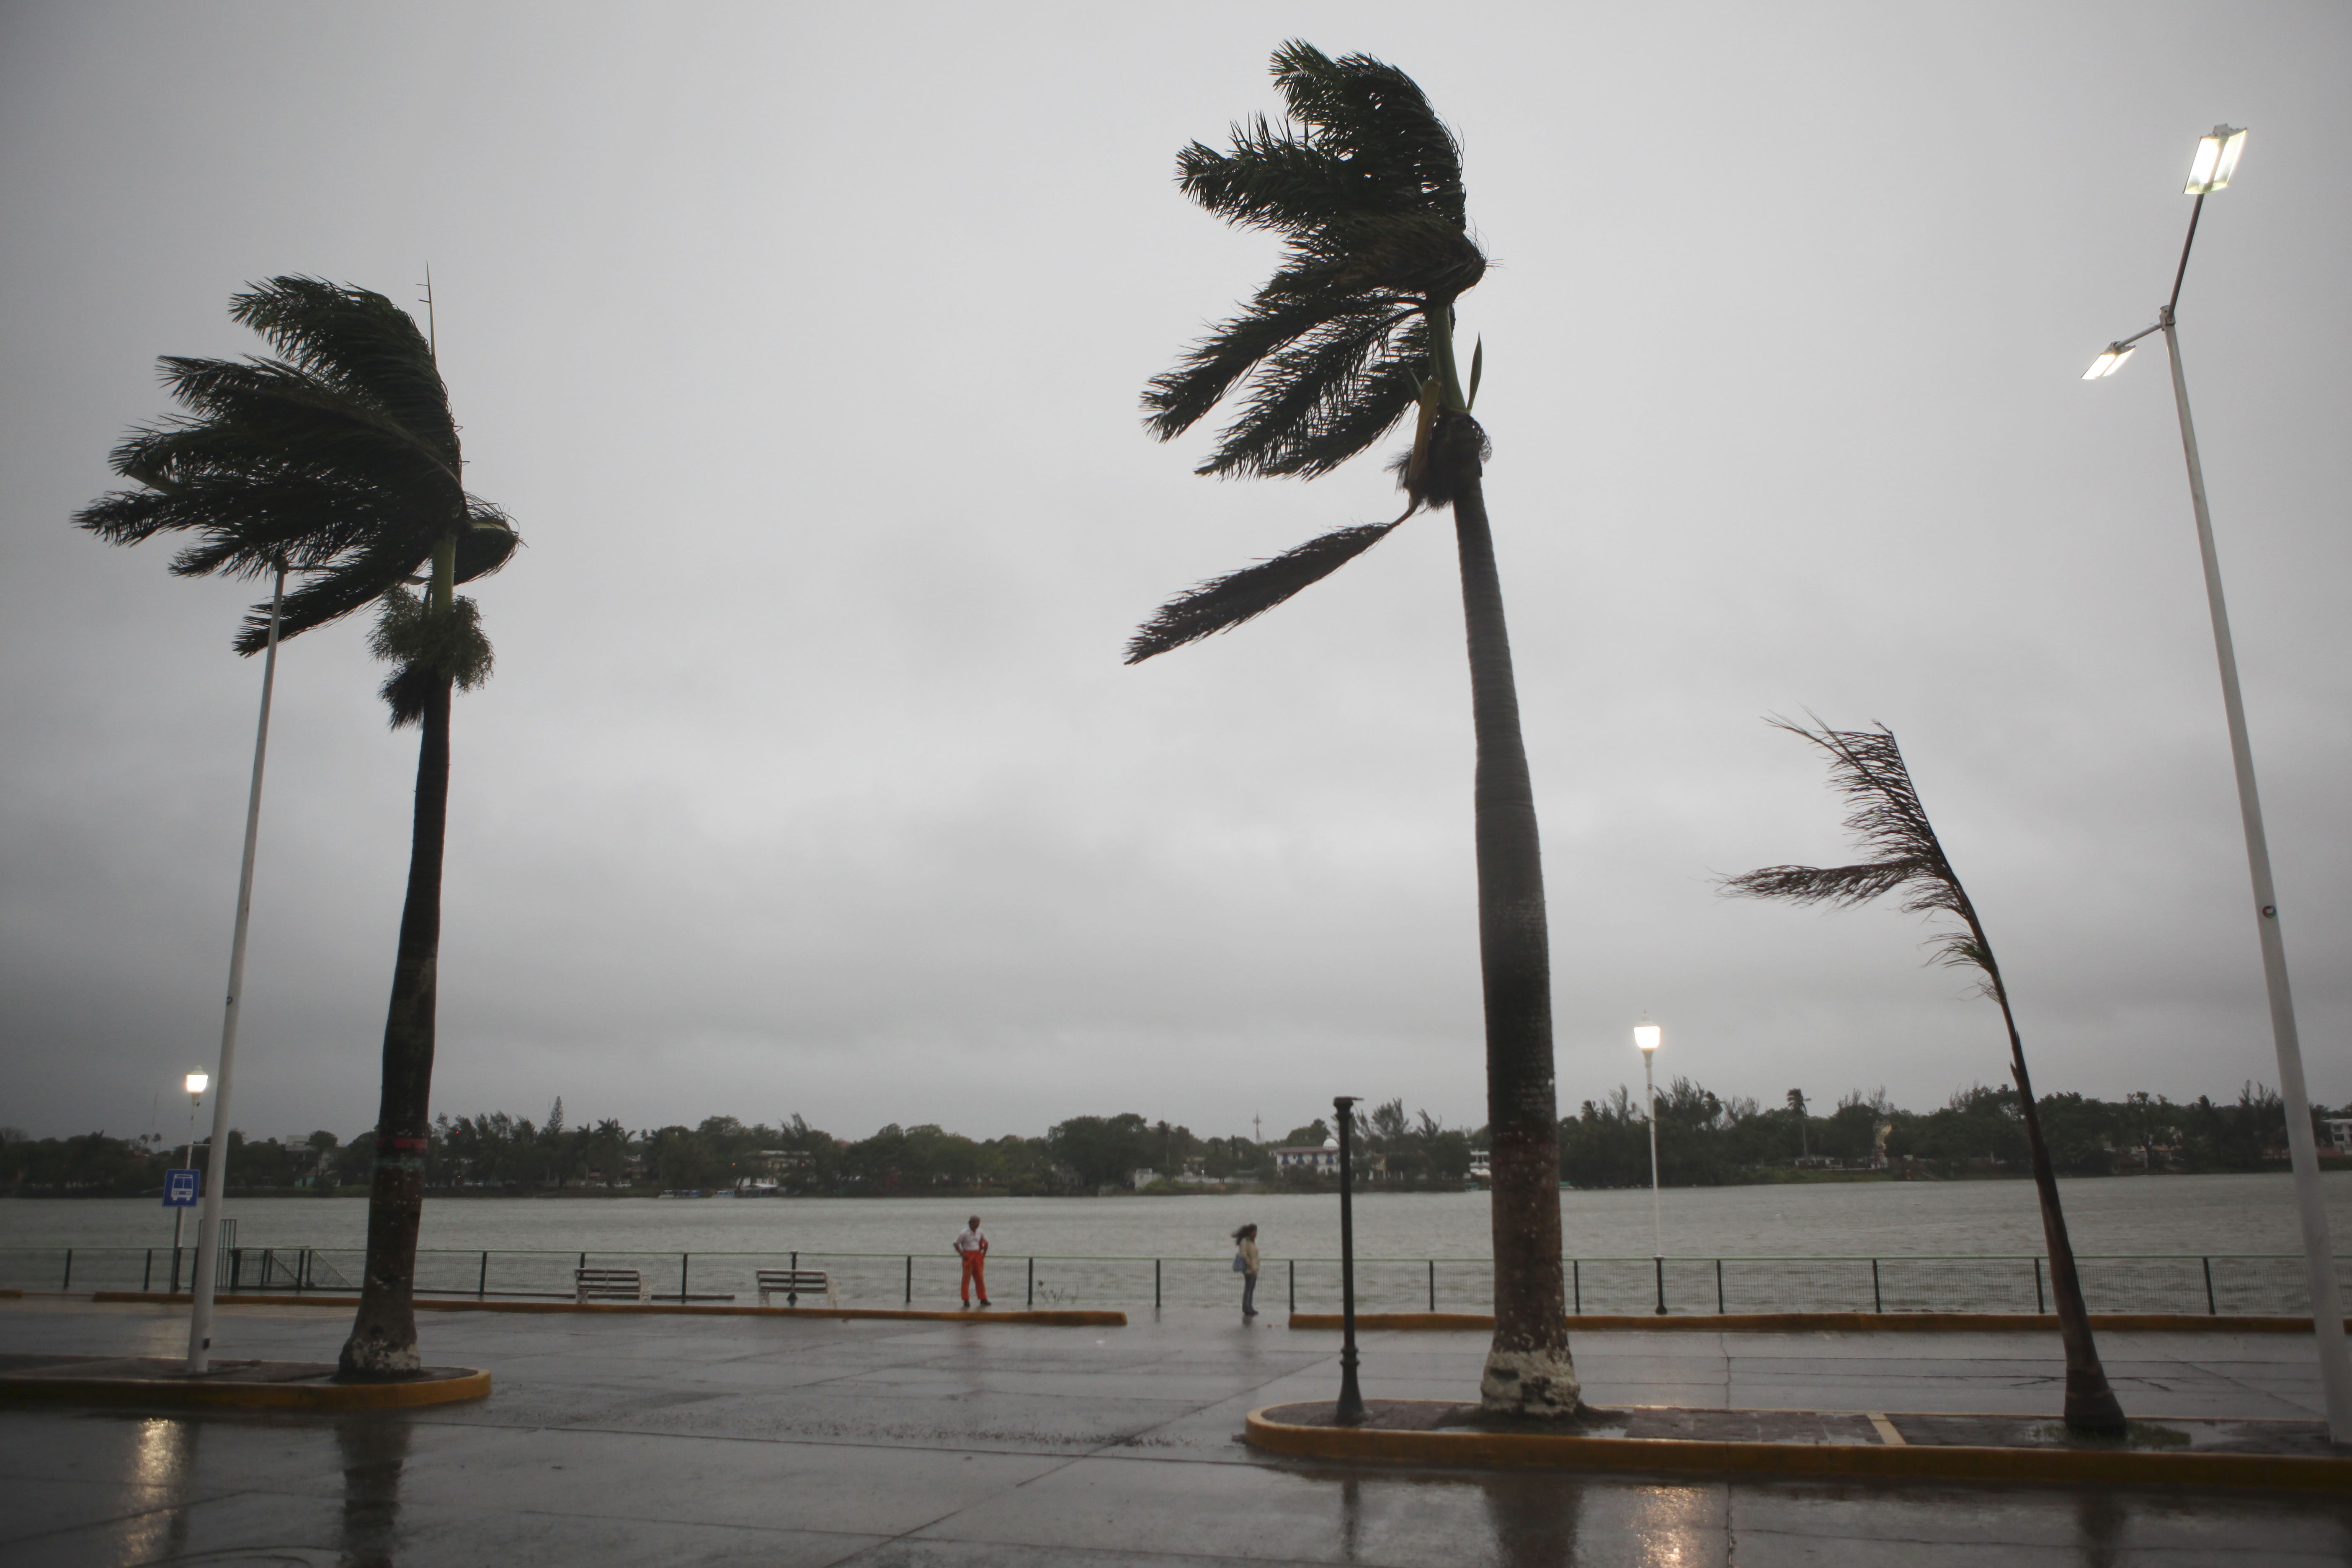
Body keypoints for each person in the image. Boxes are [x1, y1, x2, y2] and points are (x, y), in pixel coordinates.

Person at [954, 1215, 990, 1308]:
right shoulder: (964, 1233)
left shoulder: (980, 1232)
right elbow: (956, 1244)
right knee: (966, 1279)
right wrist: (962, 1254)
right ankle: (966, 1299)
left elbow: (986, 1242)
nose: (978, 1224)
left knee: (980, 1278)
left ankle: (983, 1298)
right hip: (968, 1255)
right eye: (976, 1222)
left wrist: (983, 1255)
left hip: (978, 1255)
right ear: (970, 1223)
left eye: (979, 1222)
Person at [1233, 1222, 1261, 1318]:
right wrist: (1251, 1265)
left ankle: (1249, 1307)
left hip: (1254, 1269)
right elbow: (1244, 1255)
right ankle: (1247, 1308)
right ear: (1251, 1232)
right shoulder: (1245, 1241)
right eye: (1255, 1232)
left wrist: (1256, 1266)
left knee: (1251, 1289)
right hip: (1249, 1270)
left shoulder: (1252, 1242)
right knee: (1249, 1289)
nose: (1256, 1234)